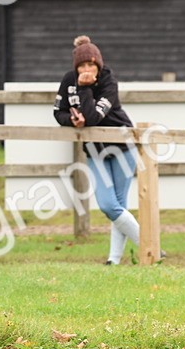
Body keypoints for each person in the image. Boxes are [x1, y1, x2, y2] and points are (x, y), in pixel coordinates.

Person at [54, 35, 141, 265]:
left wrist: (84, 89)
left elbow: (93, 117)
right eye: (81, 65)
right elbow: (58, 112)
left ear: (98, 66)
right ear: (75, 67)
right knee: (108, 204)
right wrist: (72, 121)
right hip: (94, 150)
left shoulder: (108, 81)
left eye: (90, 65)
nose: (86, 69)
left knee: (117, 206)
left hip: (123, 148)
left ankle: (114, 259)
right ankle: (151, 246)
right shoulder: (67, 80)